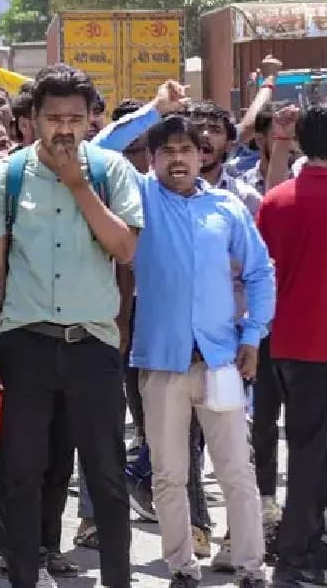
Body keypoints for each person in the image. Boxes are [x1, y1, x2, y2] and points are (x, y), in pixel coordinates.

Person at [0, 64, 143, 588]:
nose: (64, 128)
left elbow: (125, 248)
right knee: (22, 476)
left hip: (91, 345)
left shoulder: (111, 170)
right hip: (26, 344)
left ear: (92, 118)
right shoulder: (9, 174)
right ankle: (23, 576)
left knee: (107, 479)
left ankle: (117, 578)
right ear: (32, 121)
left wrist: (77, 185)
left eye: (75, 117)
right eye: (53, 118)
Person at [121, 96, 274, 588]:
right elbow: (98, 148)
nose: (178, 159)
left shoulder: (225, 207)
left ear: (202, 154)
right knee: (168, 475)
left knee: (236, 472)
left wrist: (253, 334)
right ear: (152, 158)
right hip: (162, 364)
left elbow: (260, 273)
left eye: (187, 149)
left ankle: (251, 567)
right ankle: (181, 567)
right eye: (167, 151)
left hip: (220, 360)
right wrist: (151, 113)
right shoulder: (139, 196)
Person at [256, 103, 327, 588]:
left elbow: (262, 274)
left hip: (289, 345)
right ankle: (298, 553)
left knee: (305, 450)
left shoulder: (276, 201)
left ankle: (302, 547)